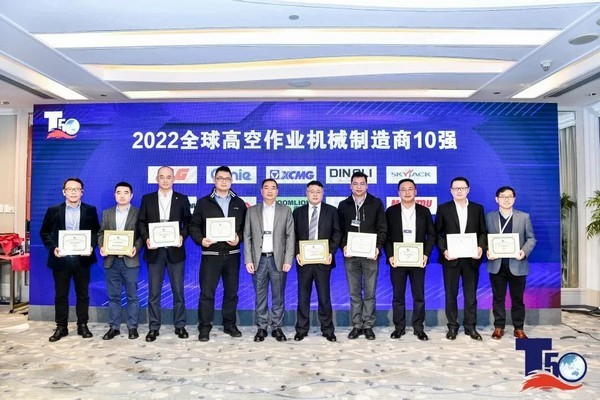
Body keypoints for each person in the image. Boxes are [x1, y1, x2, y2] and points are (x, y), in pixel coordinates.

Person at [189, 166, 247, 342]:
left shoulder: (239, 203)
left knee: (231, 292)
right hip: (211, 254)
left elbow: (246, 228)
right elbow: (194, 226)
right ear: (214, 180)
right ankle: (204, 327)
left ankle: (229, 324)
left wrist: (239, 238)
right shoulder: (203, 203)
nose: (223, 181)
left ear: (231, 181)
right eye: (220, 178)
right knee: (207, 293)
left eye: (227, 179)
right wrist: (201, 240)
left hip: (232, 254)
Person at [40, 177, 100, 342]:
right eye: (70, 189)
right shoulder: (53, 210)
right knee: (61, 295)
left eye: (77, 189)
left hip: (82, 259)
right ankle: (61, 327)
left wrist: (91, 246)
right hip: (61, 259)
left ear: (82, 192)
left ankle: (83, 325)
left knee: (83, 294)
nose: (73, 192)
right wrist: (53, 248)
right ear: (64, 192)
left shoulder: (90, 210)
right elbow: (44, 232)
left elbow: (96, 232)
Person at [137, 166, 192, 342]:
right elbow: (141, 222)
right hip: (155, 252)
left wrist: (182, 236)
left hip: (175, 251)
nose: (165, 180)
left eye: (169, 177)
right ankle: (153, 327)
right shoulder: (147, 199)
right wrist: (146, 238)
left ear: (174, 179)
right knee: (154, 293)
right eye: (162, 177)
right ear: (157, 179)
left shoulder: (182, 199)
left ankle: (180, 325)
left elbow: (189, 223)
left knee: (178, 291)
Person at [435, 177, 486, 341]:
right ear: (451, 190)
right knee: (451, 294)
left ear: (468, 190)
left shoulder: (477, 208)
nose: (459, 191)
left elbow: (483, 232)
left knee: (470, 296)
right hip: (451, 259)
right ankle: (452, 327)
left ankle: (471, 327)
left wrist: (480, 247)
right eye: (455, 188)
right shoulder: (443, 209)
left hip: (471, 259)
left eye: (462, 188)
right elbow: (438, 234)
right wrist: (444, 250)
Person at [337, 171, 387, 340]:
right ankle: (356, 325)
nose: (358, 187)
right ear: (350, 186)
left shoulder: (376, 203)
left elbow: (382, 228)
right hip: (350, 255)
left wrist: (377, 247)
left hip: (370, 255)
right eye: (355, 183)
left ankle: (368, 325)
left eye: (362, 183)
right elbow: (339, 230)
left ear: (367, 185)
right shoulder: (343, 205)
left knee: (370, 292)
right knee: (354, 292)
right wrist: (343, 245)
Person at [384, 179, 435, 341]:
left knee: (418, 296)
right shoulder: (390, 212)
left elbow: (431, 235)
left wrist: (426, 254)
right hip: (397, 260)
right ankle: (399, 328)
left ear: (416, 191)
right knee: (398, 296)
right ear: (398, 193)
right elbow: (385, 236)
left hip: (418, 260)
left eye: (410, 189)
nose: (407, 192)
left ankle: (419, 328)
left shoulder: (424, 211)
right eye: (403, 189)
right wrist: (390, 255)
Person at [244, 178, 295, 342]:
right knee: (260, 296)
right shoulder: (252, 211)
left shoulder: (285, 210)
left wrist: (288, 259)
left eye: (273, 188)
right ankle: (262, 327)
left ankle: (277, 327)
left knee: (278, 296)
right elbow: (247, 236)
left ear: (277, 192)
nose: (270, 191)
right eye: (266, 188)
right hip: (258, 260)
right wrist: (248, 260)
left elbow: (290, 236)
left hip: (277, 260)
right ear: (261, 191)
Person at [292, 180, 341, 342]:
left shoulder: (331, 211)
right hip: (304, 261)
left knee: (324, 297)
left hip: (323, 261)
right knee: (303, 297)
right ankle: (301, 329)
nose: (315, 194)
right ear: (306, 193)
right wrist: (297, 253)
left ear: (323, 193)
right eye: (311, 191)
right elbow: (292, 236)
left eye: (318, 191)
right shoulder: (298, 212)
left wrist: (330, 252)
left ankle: (327, 329)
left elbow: (337, 233)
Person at [486, 186, 536, 340]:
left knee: (518, 299)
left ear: (514, 199)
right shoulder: (489, 217)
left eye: (509, 196)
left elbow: (531, 238)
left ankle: (518, 328)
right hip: (497, 264)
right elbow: (484, 237)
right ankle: (499, 327)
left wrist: (524, 251)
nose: (506, 199)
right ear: (497, 199)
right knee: (498, 298)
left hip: (517, 264)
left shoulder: (524, 217)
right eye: (503, 196)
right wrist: (487, 250)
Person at [98, 182, 143, 340]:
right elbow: (101, 233)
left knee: (132, 296)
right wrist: (102, 246)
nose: (122, 195)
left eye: (126, 192)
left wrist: (136, 247)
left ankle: (132, 327)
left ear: (131, 195)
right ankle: (114, 327)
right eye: (119, 192)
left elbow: (141, 236)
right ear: (114, 195)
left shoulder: (138, 213)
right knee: (113, 296)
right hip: (111, 261)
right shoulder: (107, 213)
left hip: (130, 260)